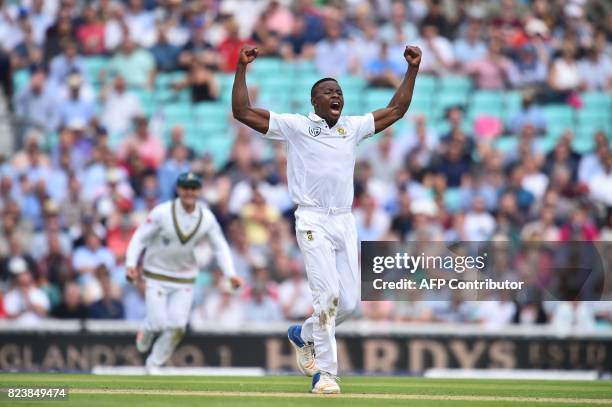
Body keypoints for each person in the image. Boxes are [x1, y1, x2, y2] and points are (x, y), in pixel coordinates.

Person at [232, 44, 421, 394]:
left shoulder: (352, 127)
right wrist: (241, 68)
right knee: (328, 296)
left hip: (344, 221)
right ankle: (326, 374)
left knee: (349, 303)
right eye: (328, 92)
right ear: (314, 101)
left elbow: (396, 109)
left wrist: (412, 69)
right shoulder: (296, 126)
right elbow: (242, 111)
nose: (336, 95)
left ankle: (302, 334)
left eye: (339, 91)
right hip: (312, 219)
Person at [125, 172, 243, 371]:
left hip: (184, 278)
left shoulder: (206, 217)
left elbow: (219, 246)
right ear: (178, 189)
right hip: (156, 274)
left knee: (178, 326)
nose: (189, 192)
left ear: (199, 190)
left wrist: (230, 274)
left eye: (193, 188)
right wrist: (131, 263)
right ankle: (146, 330)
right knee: (158, 324)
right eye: (185, 187)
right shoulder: (161, 213)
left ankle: (154, 363)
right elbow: (140, 238)